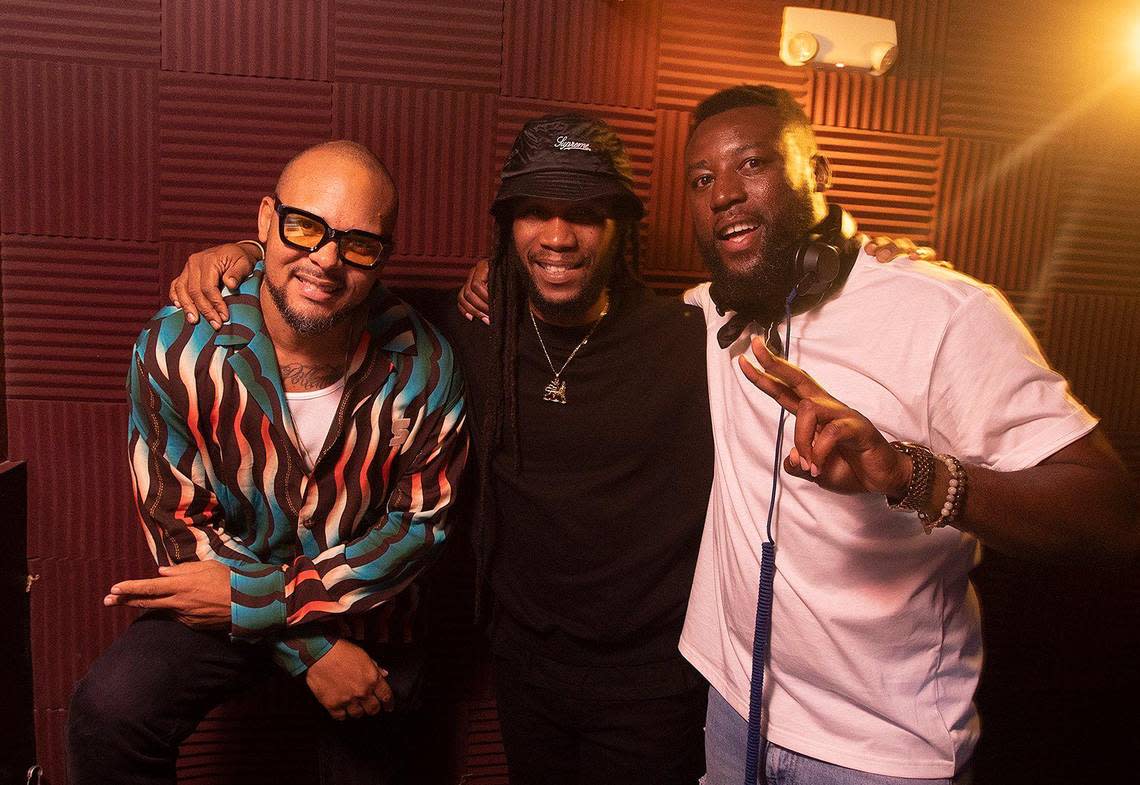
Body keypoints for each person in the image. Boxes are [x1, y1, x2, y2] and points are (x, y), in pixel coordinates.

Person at [167, 117, 925, 785]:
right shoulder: (461, 329)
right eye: (536, 210)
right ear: (507, 225)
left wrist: (867, 269)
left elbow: (798, 296)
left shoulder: (695, 336)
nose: (557, 236)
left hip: (657, 683)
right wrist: (240, 252)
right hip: (526, 674)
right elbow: (328, 282)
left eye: (585, 212)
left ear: (622, 224)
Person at [676, 85, 1139, 784]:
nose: (723, 195)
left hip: (880, 752)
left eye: (753, 164)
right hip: (734, 710)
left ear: (818, 174)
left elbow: (1108, 512)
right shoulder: (712, 312)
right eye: (703, 178)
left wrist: (910, 475)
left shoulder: (943, 313)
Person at [67, 140, 469, 785]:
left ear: (383, 257)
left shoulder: (425, 362)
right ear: (264, 223)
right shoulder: (176, 348)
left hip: (367, 612)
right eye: (304, 227)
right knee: (109, 710)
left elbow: (420, 528)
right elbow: (178, 520)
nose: (326, 260)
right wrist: (309, 650)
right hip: (219, 589)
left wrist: (268, 607)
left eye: (358, 243)